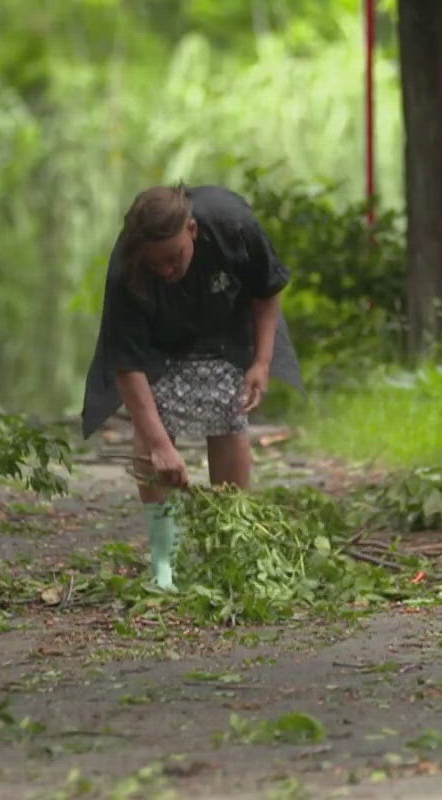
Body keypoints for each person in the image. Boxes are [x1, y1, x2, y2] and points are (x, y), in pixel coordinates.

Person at [80, 183, 302, 591]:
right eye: (156, 264)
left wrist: (261, 363)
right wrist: (161, 445)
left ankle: (228, 550)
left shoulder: (233, 225)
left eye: (174, 258)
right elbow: (127, 363)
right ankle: (164, 564)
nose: (166, 270)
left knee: (228, 415)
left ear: (193, 231)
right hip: (158, 342)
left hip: (225, 325)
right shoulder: (128, 268)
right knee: (153, 433)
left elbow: (267, 291)